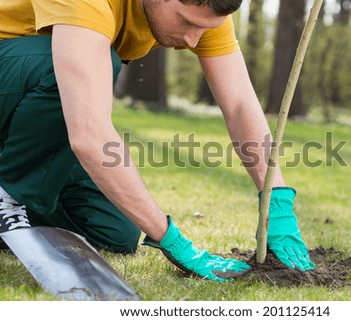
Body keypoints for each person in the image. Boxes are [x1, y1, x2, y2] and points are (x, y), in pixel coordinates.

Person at [0, 0, 314, 282]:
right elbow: (89, 134)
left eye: (203, 28)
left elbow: (239, 105)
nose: (194, 40)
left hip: (23, 112)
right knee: (86, 63)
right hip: (13, 70)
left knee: (114, 232)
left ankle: (14, 204)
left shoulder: (205, 13)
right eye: (187, 23)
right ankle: (8, 199)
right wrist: (172, 241)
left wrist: (277, 200)